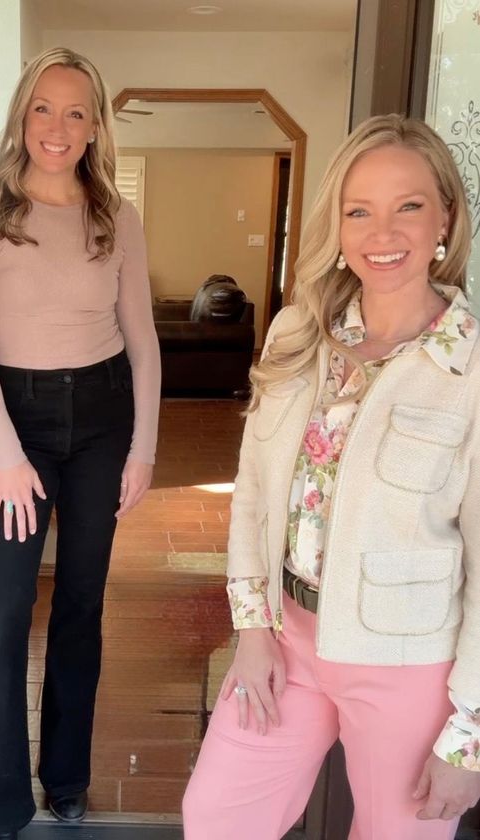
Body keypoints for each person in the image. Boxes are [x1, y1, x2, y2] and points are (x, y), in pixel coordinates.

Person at [182, 114, 480, 840]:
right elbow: (253, 489)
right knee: (217, 816)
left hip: (404, 661)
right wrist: (252, 629)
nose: (383, 232)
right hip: (286, 639)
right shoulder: (297, 333)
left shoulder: (467, 367)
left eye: (408, 205)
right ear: (337, 226)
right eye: (359, 210)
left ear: (445, 214)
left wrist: (469, 732)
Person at [0, 46, 160, 840]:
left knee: (81, 604)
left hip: (102, 416)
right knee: (1, 614)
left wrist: (143, 448)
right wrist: (5, 454)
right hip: (18, 419)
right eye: (44, 108)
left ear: (96, 126)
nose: (58, 127)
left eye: (76, 112)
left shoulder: (116, 216)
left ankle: (66, 779)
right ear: (21, 116)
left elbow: (142, 341)